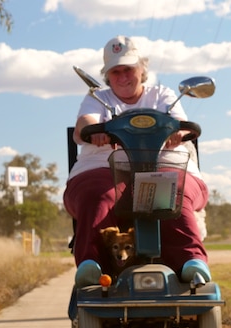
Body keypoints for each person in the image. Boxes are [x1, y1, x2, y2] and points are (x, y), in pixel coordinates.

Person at [63, 35, 211, 287]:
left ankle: (190, 262)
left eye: (128, 69)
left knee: (170, 190)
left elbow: (180, 123)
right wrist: (96, 130)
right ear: (107, 75)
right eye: (115, 71)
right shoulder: (99, 98)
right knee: (99, 195)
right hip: (106, 169)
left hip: (166, 165)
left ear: (142, 69)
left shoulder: (162, 95)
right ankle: (93, 265)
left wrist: (176, 131)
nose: (122, 77)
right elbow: (84, 124)